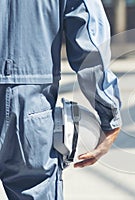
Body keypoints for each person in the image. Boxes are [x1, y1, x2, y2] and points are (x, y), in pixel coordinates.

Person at [0, 0, 121, 199]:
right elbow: (89, 42)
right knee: (35, 186)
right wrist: (109, 115)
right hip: (30, 108)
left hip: (30, 102)